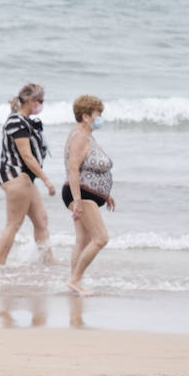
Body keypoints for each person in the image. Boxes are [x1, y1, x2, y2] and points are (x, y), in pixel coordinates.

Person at [0, 83, 56, 265]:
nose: (42, 105)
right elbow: (27, 156)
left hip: (27, 179)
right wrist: (46, 180)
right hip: (15, 176)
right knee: (14, 223)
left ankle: (48, 262)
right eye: (40, 101)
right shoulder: (16, 121)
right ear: (30, 101)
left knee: (41, 220)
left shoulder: (29, 122)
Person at [62, 94, 115, 297]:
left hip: (87, 193)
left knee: (83, 240)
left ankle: (75, 281)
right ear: (86, 116)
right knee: (101, 238)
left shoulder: (87, 136)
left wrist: (106, 193)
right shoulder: (79, 137)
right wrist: (77, 201)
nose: (100, 117)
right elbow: (73, 169)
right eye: (98, 114)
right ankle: (74, 279)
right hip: (81, 194)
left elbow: (90, 169)